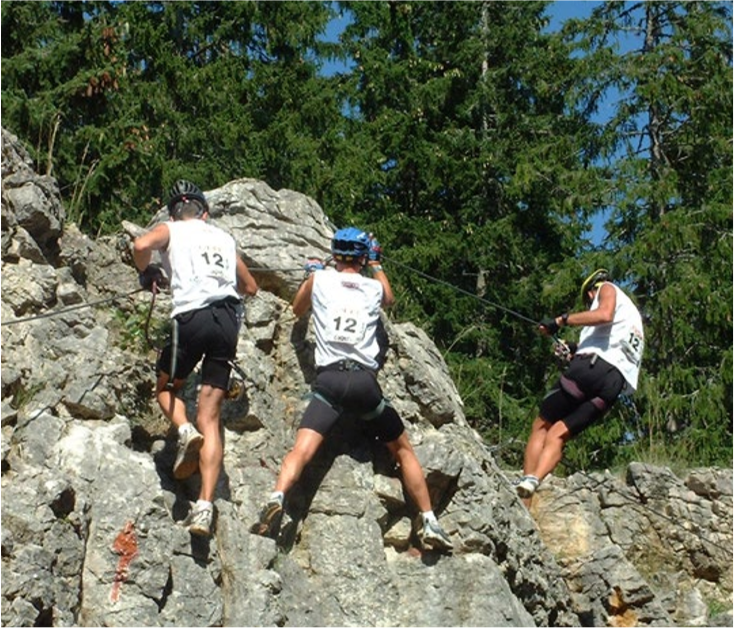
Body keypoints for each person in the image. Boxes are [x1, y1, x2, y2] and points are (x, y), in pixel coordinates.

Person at [251, 227, 453, 551]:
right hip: (363, 384)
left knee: (301, 450)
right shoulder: (372, 288)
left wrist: (312, 274)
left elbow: (297, 309)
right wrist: (377, 263)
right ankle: (429, 520)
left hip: (329, 382)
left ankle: (277, 494)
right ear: (361, 257)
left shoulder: (320, 280)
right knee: (402, 450)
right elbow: (389, 297)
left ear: (335, 253)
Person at [133, 180, 258, 536]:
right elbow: (250, 287)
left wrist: (148, 272)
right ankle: (205, 507)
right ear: (204, 212)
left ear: (174, 212)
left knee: (165, 389)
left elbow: (141, 245)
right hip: (227, 323)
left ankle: (184, 430)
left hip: (191, 319)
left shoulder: (170, 229)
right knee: (211, 416)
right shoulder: (222, 238)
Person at [517, 268, 644, 499]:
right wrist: (574, 351)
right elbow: (609, 344)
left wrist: (560, 320)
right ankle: (535, 480)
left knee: (542, 425)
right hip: (613, 385)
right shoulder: (632, 318)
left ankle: (525, 486)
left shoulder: (606, 289)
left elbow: (604, 314)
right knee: (558, 434)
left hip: (593, 368)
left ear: (589, 293)